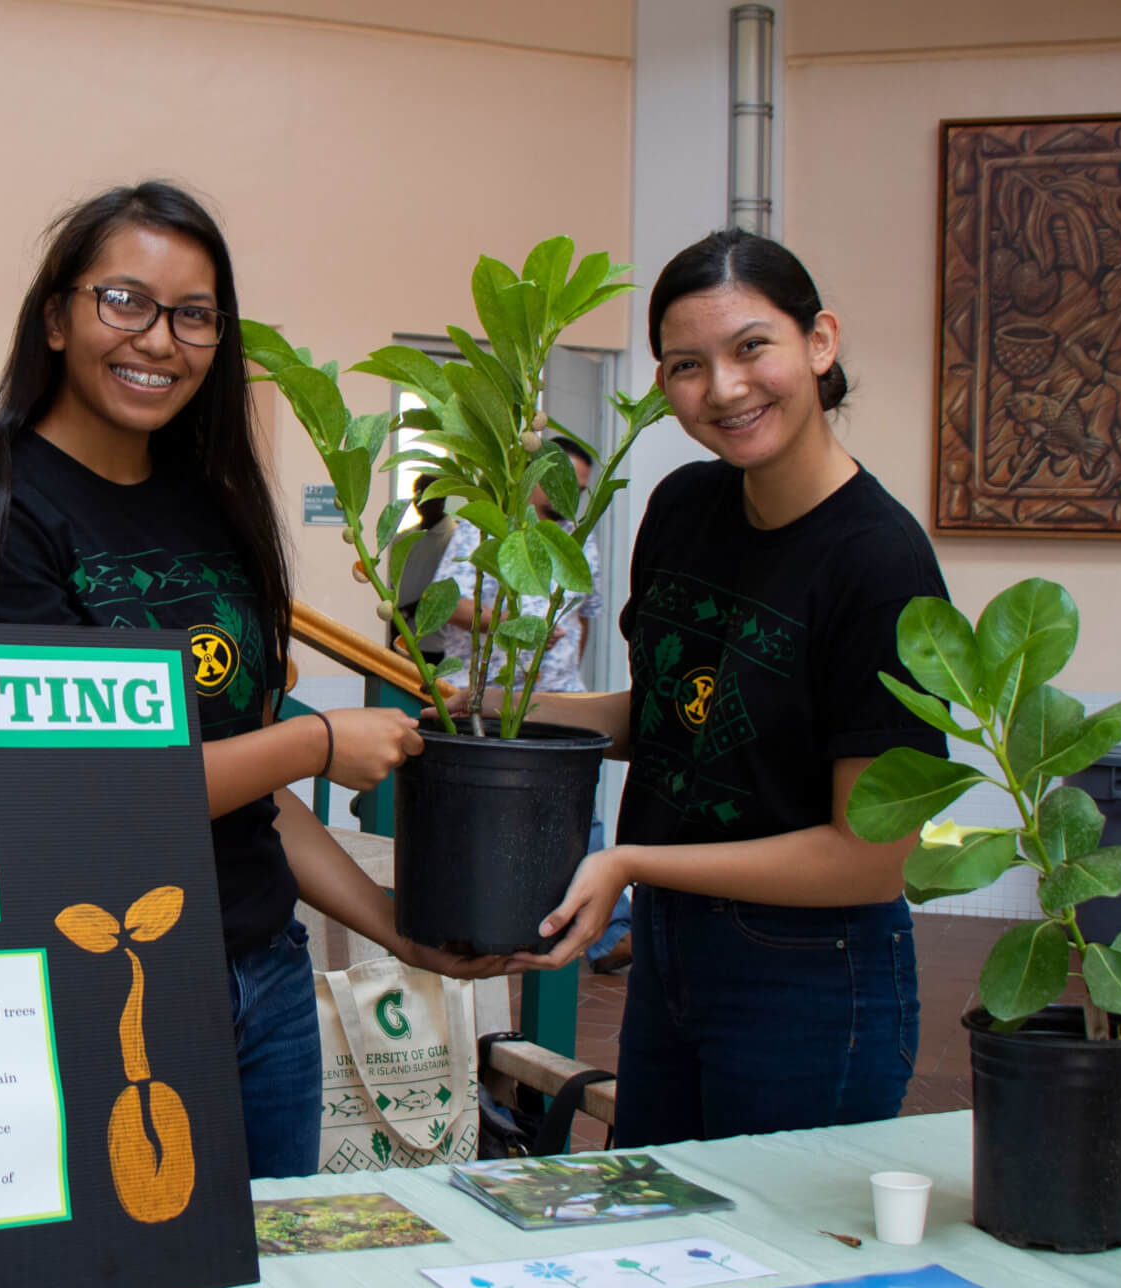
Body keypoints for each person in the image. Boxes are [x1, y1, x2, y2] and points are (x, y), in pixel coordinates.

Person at [0, 182, 503, 1178]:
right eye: (124, 301)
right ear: (56, 317)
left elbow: (249, 794)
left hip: (263, 973)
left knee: (275, 1267)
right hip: (93, 979)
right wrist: (314, 741)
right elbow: (81, 791)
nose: (158, 340)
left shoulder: (211, 504)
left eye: (193, 315)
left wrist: (398, 929)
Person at [507, 228, 946, 1144]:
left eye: (752, 347)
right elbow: (676, 716)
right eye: (686, 365)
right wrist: (506, 710)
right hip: (675, 952)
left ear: (818, 343)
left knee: (780, 1258)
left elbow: (871, 856)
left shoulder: (878, 562)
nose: (725, 388)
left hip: (811, 975)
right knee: (659, 1219)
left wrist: (632, 863)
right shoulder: (685, 509)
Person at [433, 437, 602, 693]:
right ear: (535, 475)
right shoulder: (484, 528)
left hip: (560, 695)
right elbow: (446, 605)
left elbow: (584, 615)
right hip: (485, 695)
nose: (571, 498)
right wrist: (513, 625)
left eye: (577, 491)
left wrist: (565, 674)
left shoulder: (580, 539)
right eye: (564, 486)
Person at [390, 474, 457, 663]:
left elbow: (447, 591)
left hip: (435, 644)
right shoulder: (402, 539)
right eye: (417, 495)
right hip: (399, 637)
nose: (420, 501)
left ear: (442, 498)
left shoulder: (454, 539)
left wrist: (407, 612)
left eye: (428, 494)